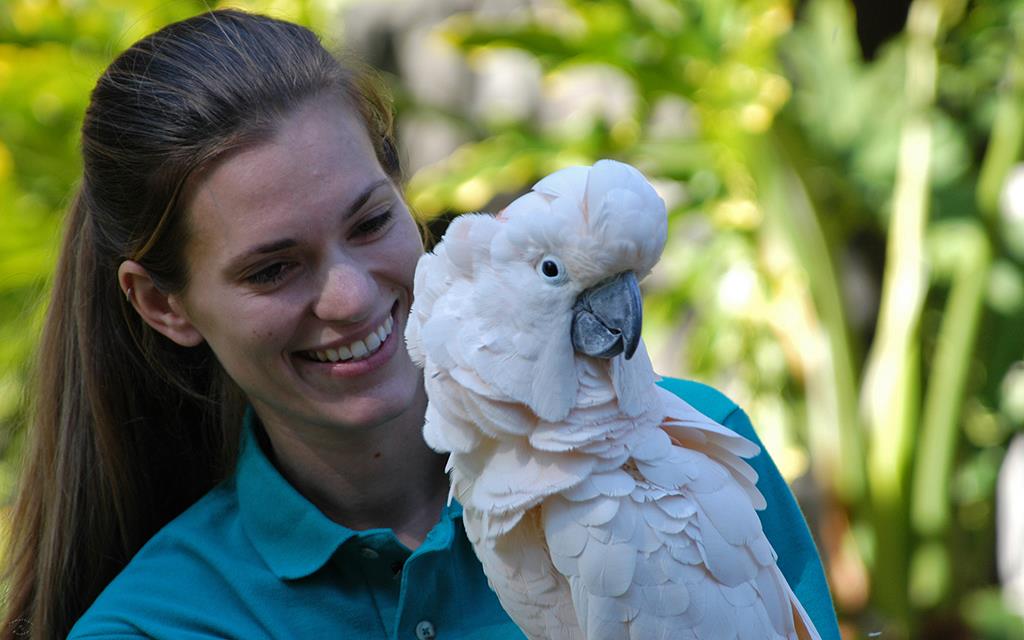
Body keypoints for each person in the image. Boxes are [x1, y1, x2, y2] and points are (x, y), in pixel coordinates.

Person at [1, 9, 841, 640]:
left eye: (370, 223)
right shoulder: (161, 624)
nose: (352, 299)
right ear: (164, 305)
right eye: (273, 268)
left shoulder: (688, 457)